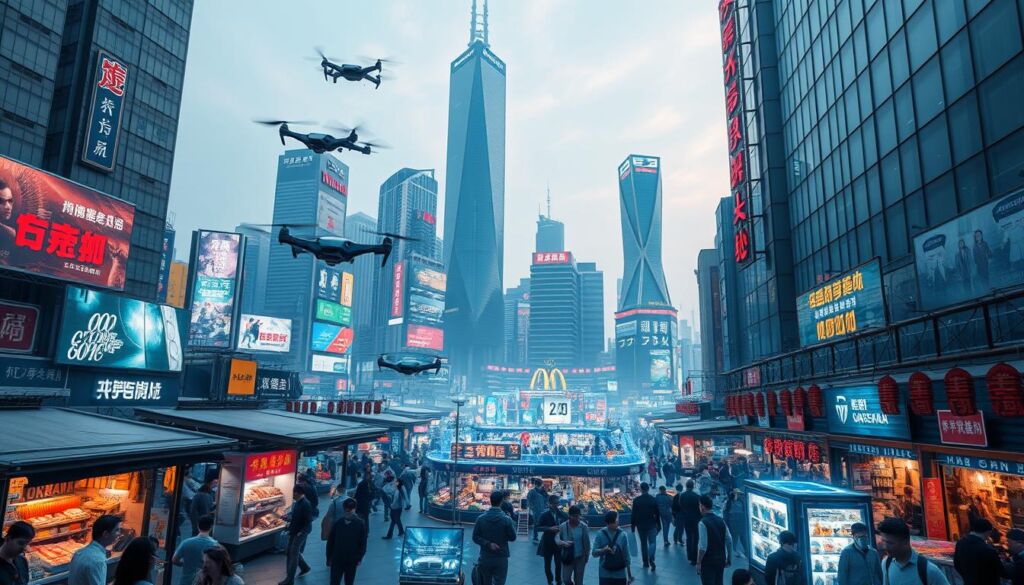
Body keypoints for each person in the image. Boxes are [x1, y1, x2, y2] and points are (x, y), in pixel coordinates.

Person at [877, 517, 950, 585]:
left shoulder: (929, 570)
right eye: (883, 541)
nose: (885, 547)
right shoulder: (886, 564)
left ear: (905, 542)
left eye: (890, 543)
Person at [472, 491, 517, 585]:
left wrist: (488, 544)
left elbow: (475, 537)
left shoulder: (481, 519)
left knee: (485, 582)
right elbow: (513, 537)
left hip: (485, 556)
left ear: (490, 501)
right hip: (501, 556)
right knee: (500, 582)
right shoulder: (506, 519)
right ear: (501, 502)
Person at [69, 514, 122, 585]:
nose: (119, 534)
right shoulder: (98, 561)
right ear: (105, 534)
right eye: (117, 530)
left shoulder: (79, 553)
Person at [326, 498, 367, 585]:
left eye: (350, 510)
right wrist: (329, 557)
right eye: (346, 510)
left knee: (348, 581)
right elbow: (331, 541)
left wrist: (359, 557)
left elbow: (363, 543)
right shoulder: (339, 523)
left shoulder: (360, 524)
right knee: (334, 581)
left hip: (351, 559)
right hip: (337, 558)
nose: (348, 512)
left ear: (354, 509)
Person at [953, 517, 1003, 585]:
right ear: (988, 532)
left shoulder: (960, 543)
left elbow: (956, 564)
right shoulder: (988, 550)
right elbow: (1000, 571)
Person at [279, 485, 313, 585]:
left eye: (293, 493)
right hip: (294, 531)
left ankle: (289, 579)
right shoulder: (298, 503)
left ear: (297, 493)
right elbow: (295, 517)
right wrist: (287, 518)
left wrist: (301, 532)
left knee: (293, 554)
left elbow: (308, 521)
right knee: (290, 551)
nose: (292, 495)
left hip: (300, 533)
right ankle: (304, 567)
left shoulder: (306, 504)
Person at [172, 514, 219, 585]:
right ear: (211, 527)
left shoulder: (186, 543)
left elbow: (174, 560)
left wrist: (185, 564)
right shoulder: (215, 545)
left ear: (198, 526)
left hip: (185, 581)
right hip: (204, 582)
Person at [696, 495, 732, 585]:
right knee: (719, 582)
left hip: (708, 561)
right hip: (721, 559)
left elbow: (703, 547)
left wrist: (698, 562)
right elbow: (729, 539)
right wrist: (729, 558)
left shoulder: (702, 523)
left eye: (699, 505)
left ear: (703, 507)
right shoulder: (721, 520)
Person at [592, 510, 633, 585]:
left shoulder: (623, 535)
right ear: (609, 522)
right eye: (616, 520)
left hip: (619, 574)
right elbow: (594, 553)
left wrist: (629, 575)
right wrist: (603, 550)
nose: (618, 522)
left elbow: (627, 555)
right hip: (605, 573)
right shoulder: (600, 534)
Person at [536, 495, 569, 585]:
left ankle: (558, 580)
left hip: (558, 543)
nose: (556, 505)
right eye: (554, 503)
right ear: (549, 504)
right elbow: (538, 527)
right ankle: (549, 580)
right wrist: (549, 528)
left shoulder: (561, 513)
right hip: (547, 542)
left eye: (557, 503)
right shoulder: (544, 515)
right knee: (547, 564)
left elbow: (568, 521)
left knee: (558, 564)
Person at [555, 506, 591, 585]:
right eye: (574, 516)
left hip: (580, 557)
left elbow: (587, 543)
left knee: (579, 581)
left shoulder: (583, 526)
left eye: (578, 516)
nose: (577, 518)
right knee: (566, 579)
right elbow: (557, 539)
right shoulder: (563, 526)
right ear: (569, 516)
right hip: (567, 557)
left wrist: (587, 556)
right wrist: (564, 543)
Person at [630, 482, 660, 570]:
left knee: (643, 544)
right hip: (651, 524)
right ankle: (651, 558)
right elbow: (657, 514)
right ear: (648, 489)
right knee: (652, 542)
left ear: (640, 489)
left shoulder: (636, 500)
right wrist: (659, 525)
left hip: (640, 526)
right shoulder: (653, 499)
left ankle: (645, 562)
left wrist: (633, 526)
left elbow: (633, 515)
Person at [679, 479, 702, 564]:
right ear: (693, 486)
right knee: (695, 539)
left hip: (686, 519)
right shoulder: (696, 496)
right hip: (696, 519)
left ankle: (689, 556)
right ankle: (694, 558)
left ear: (686, 486)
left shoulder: (682, 495)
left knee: (688, 538)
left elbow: (680, 506)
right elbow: (700, 509)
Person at [723, 489, 747, 558]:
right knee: (735, 538)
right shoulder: (730, 502)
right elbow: (726, 513)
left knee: (741, 538)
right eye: (738, 494)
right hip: (734, 523)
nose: (739, 495)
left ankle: (739, 551)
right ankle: (734, 551)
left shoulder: (740, 502)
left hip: (739, 522)